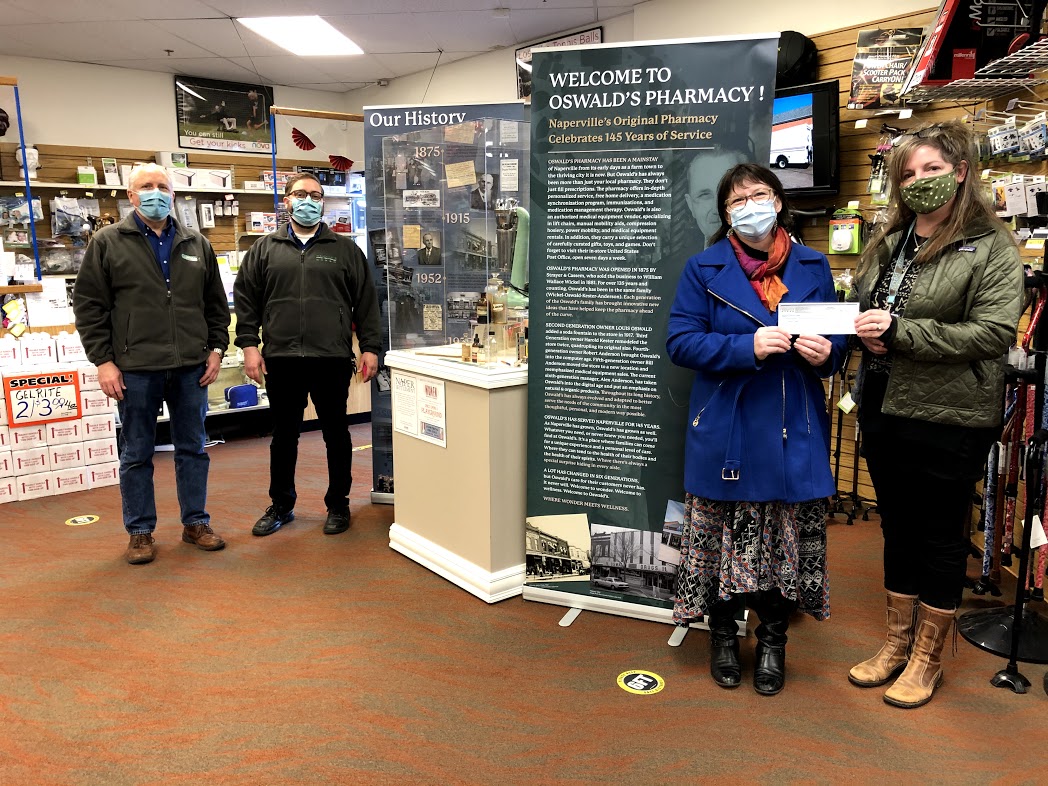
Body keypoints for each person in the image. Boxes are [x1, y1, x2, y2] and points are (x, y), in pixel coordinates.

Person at [849, 120, 1023, 709]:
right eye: (908, 172)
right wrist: (864, 330)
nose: (918, 181)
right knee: (895, 525)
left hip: (949, 414)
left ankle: (927, 659)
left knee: (941, 533)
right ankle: (896, 645)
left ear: (961, 172)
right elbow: (868, 305)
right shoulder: (892, 239)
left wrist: (902, 332)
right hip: (882, 403)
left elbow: (994, 332)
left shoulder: (990, 245)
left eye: (931, 169)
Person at [667, 163, 848, 695]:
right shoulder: (702, 268)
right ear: (725, 214)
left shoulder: (814, 265)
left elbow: (836, 345)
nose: (751, 205)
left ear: (778, 201)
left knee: (782, 541)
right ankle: (721, 637)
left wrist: (826, 354)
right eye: (738, 200)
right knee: (722, 536)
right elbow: (680, 343)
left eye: (760, 194)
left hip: (794, 425)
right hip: (728, 426)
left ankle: (773, 642)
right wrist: (743, 348)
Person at [73, 163, 230, 565]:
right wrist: (104, 362)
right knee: (137, 452)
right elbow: (90, 307)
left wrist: (216, 349)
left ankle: (196, 522)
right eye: (147, 186)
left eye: (163, 186)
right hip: (135, 367)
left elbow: (215, 305)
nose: (156, 192)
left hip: (190, 366)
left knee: (193, 448)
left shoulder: (197, 243)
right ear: (131, 195)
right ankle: (140, 532)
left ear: (173, 194)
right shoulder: (107, 242)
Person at [234, 174, 382, 537]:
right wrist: (249, 345)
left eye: (316, 195)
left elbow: (365, 302)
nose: (308, 200)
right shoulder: (264, 249)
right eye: (300, 194)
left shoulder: (345, 250)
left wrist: (371, 347)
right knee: (284, 436)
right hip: (282, 358)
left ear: (323, 203)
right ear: (286, 201)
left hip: (330, 357)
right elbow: (247, 301)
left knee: (336, 433)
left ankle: (338, 504)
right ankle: (281, 505)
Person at [684, 147, 747, 250]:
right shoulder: (679, 265)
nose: (716, 209)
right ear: (690, 205)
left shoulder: (770, 262)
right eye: (704, 195)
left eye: (727, 192)